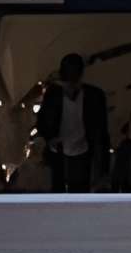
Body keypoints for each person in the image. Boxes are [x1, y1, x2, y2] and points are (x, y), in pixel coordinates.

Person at [35, 53, 109, 193]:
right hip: (61, 151)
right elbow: (42, 121)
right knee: (64, 190)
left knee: (77, 190)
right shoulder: (54, 95)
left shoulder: (93, 96)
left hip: (81, 151)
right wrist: (50, 138)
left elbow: (102, 132)